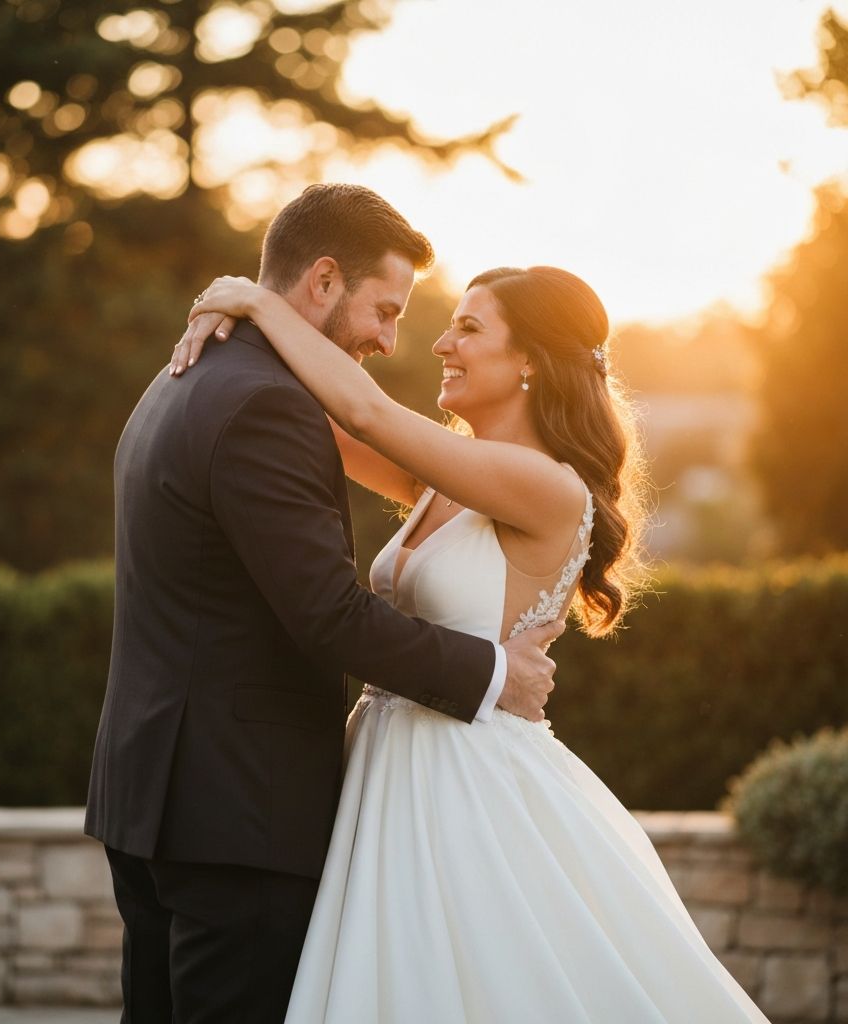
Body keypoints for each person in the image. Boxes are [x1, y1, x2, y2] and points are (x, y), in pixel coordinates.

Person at [175, 265, 770, 1022]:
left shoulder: (548, 486)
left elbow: (362, 410)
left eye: (469, 328)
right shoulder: (443, 478)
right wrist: (236, 340)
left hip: (464, 783)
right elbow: (318, 419)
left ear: (530, 361)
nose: (441, 343)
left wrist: (257, 300)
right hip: (384, 766)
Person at [83, 184, 563, 1024]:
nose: (392, 338)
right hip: (238, 813)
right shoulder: (265, 401)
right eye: (386, 310)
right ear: (325, 279)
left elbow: (367, 423)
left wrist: (252, 304)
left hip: (155, 796)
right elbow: (329, 616)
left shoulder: (184, 375)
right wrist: (495, 673)